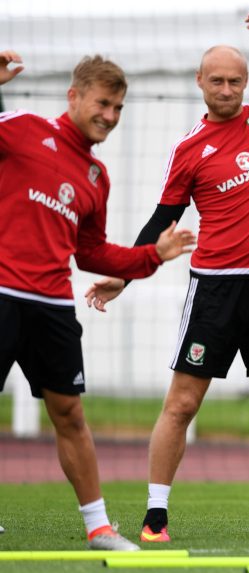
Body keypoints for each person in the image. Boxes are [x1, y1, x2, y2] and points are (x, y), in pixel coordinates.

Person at [89, 8, 249, 543]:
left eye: (235, 80)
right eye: (217, 80)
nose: (226, 88)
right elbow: (162, 220)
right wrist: (123, 275)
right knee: (181, 402)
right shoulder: (188, 150)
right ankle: (155, 518)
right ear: (200, 83)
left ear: (246, 83)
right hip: (216, 290)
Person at [0, 50, 195, 551]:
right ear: (75, 96)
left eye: (118, 108)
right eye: (103, 103)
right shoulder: (21, 130)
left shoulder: (95, 178)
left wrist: (152, 255)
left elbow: (91, 253)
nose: (109, 116)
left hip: (52, 307)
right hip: (1, 295)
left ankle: (99, 527)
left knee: (70, 415)